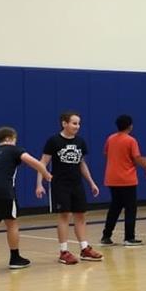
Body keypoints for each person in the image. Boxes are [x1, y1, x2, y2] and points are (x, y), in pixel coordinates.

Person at [0, 126, 51, 273]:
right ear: (10, 139)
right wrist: (45, 173)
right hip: (3, 190)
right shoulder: (14, 149)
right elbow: (34, 162)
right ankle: (15, 258)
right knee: (12, 223)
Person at [36, 111, 102, 265]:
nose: (77, 126)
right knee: (64, 216)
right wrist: (39, 184)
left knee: (80, 215)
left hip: (77, 184)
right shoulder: (54, 141)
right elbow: (42, 163)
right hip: (60, 184)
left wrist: (91, 183)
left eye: (78, 123)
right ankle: (63, 251)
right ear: (64, 123)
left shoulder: (80, 142)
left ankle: (85, 249)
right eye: (74, 123)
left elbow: (82, 164)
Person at [100, 115, 146, 246]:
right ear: (130, 126)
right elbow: (137, 158)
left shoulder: (110, 138)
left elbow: (105, 153)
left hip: (112, 178)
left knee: (114, 208)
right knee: (130, 208)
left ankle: (106, 236)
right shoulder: (131, 140)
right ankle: (129, 237)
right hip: (127, 179)